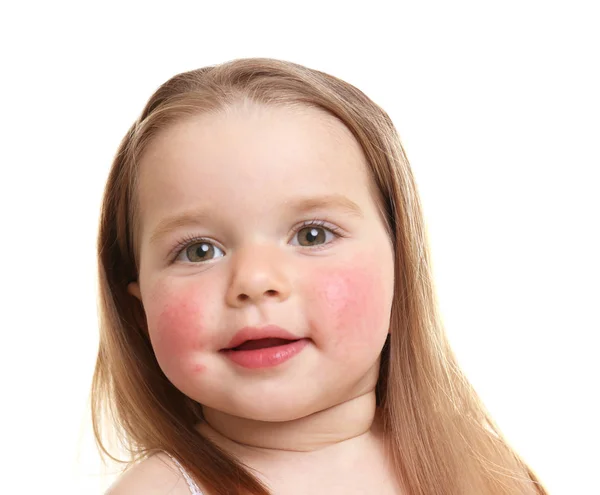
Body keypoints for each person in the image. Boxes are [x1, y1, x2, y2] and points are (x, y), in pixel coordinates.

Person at [92, 57, 546, 495]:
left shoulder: (480, 469)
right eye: (199, 250)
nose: (254, 280)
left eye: (312, 235)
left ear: (400, 269)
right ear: (139, 311)